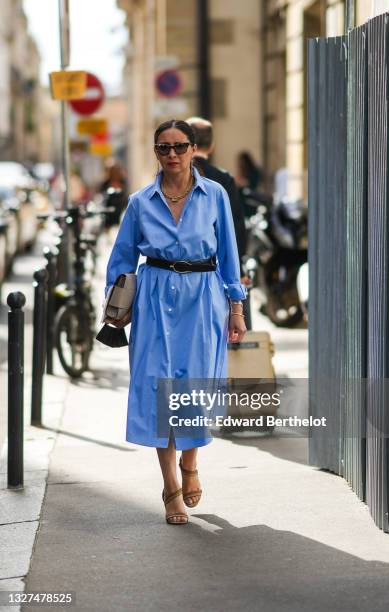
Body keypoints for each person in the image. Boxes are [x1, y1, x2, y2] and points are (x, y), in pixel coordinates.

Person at [103, 119, 247, 525]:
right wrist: (115, 306)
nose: (172, 155)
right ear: (155, 152)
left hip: (203, 297)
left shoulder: (214, 194)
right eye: (164, 148)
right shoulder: (140, 201)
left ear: (193, 149)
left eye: (180, 147)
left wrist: (236, 308)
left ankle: (190, 461)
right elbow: (121, 259)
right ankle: (170, 489)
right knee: (157, 388)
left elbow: (229, 255)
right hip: (153, 297)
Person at [185, 116, 247, 264]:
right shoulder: (224, 178)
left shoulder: (171, 176)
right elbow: (235, 225)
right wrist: (238, 267)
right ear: (212, 146)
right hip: (214, 262)